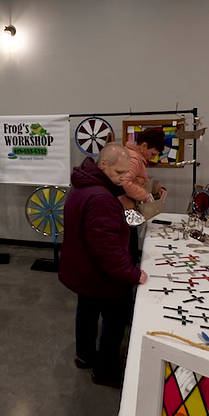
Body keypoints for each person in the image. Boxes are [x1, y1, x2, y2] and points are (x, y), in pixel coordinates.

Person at [58, 143, 148, 388]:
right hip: (101, 275)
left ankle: (84, 356)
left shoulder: (82, 186)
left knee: (86, 312)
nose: (122, 179)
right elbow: (107, 251)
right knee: (114, 319)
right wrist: (133, 274)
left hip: (83, 270)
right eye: (119, 172)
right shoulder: (101, 198)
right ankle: (104, 371)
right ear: (104, 163)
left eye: (126, 173)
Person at [119, 128, 168, 263]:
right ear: (144, 146)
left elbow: (141, 180)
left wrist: (158, 187)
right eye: (152, 154)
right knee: (130, 251)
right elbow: (124, 183)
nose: (152, 157)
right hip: (125, 211)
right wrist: (145, 195)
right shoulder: (134, 159)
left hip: (125, 210)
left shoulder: (132, 156)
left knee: (131, 249)